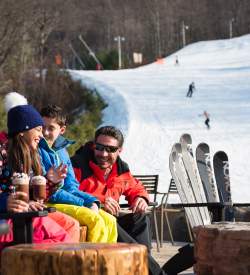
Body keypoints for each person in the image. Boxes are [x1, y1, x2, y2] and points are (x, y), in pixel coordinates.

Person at [71, 125, 195, 275]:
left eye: (110, 149)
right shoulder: (77, 165)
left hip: (112, 222)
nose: (103, 153)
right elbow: (68, 193)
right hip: (93, 222)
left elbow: (136, 187)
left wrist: (140, 198)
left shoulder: (121, 169)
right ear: (93, 145)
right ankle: (154, 272)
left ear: (119, 150)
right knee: (111, 223)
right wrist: (99, 202)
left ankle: (143, 269)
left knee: (140, 219)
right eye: (99, 147)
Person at [0, 92, 77, 247]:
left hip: (25, 215)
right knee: (59, 239)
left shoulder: (31, 155)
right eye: (38, 129)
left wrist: (50, 182)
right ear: (22, 131)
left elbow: (35, 198)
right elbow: (10, 198)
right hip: (5, 221)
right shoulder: (3, 154)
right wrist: (5, 201)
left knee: (70, 226)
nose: (42, 136)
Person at [39, 105, 117, 243]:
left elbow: (71, 186)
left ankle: (107, 262)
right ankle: (90, 261)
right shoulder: (37, 150)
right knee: (93, 219)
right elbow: (48, 190)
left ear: (61, 130)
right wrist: (83, 202)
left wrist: (91, 201)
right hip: (48, 201)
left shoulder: (62, 151)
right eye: (42, 126)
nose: (45, 132)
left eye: (50, 128)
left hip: (64, 200)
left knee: (110, 220)